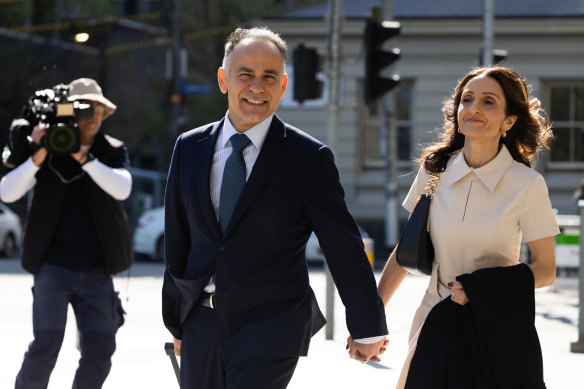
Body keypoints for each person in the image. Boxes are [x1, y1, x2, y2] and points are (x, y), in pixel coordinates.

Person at [162, 27, 388, 389]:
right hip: (201, 322)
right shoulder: (189, 147)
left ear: (282, 87)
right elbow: (178, 239)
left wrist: (367, 326)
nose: (257, 87)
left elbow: (342, 245)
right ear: (224, 80)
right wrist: (177, 321)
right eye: (245, 75)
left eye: (269, 77)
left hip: (271, 324)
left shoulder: (308, 157)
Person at [376, 66, 559, 388]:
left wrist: (485, 287)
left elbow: (546, 270)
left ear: (509, 121)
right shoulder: (434, 172)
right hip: (433, 318)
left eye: (488, 102)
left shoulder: (527, 184)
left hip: (494, 324)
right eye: (467, 99)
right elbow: (406, 251)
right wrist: (371, 318)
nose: (473, 108)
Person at [0, 78, 133, 389]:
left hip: (99, 270)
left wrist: (82, 157)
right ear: (68, 112)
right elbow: (7, 193)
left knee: (100, 351)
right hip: (53, 268)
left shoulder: (111, 149)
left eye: (99, 109)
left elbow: (123, 188)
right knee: (44, 347)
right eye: (85, 107)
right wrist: (39, 153)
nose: (94, 115)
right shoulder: (47, 147)